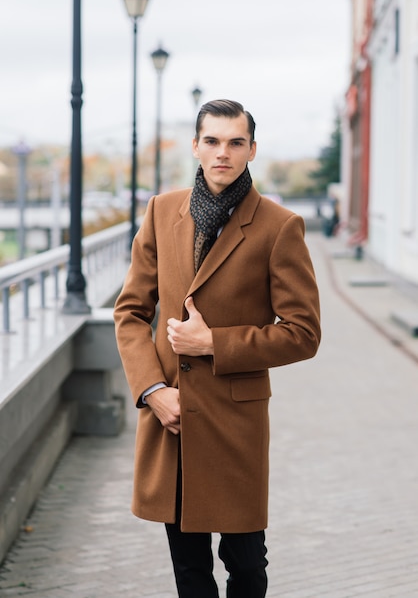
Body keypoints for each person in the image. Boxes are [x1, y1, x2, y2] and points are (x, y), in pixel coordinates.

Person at [114, 99, 321, 598]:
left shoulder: (279, 226)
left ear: (251, 149)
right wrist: (152, 390)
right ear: (195, 146)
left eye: (234, 142)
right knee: (189, 572)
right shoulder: (162, 211)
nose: (222, 153)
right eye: (212, 141)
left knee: (247, 565)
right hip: (174, 418)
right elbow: (130, 313)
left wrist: (215, 343)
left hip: (236, 424)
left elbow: (303, 332)